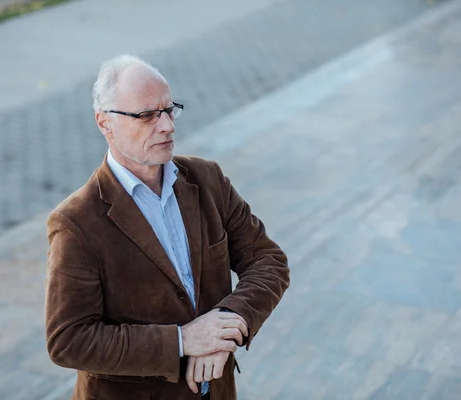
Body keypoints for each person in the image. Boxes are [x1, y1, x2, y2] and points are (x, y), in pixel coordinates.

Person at [45, 54, 290, 400]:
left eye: (169, 110)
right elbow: (69, 340)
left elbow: (268, 261)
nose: (167, 126)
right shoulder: (76, 222)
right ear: (104, 123)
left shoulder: (208, 180)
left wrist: (227, 324)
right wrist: (184, 340)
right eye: (147, 115)